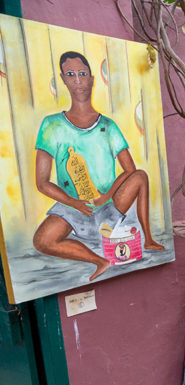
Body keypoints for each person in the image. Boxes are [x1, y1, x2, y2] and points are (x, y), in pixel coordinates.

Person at [32, 51, 163, 281]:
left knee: (141, 175)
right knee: (42, 241)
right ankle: (99, 260)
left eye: (83, 74)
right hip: (73, 205)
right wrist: (74, 203)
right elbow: (42, 183)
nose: (78, 80)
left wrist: (106, 197)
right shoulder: (51, 125)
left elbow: (130, 170)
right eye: (71, 75)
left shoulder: (109, 126)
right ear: (63, 79)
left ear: (92, 78)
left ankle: (149, 239)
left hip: (109, 201)